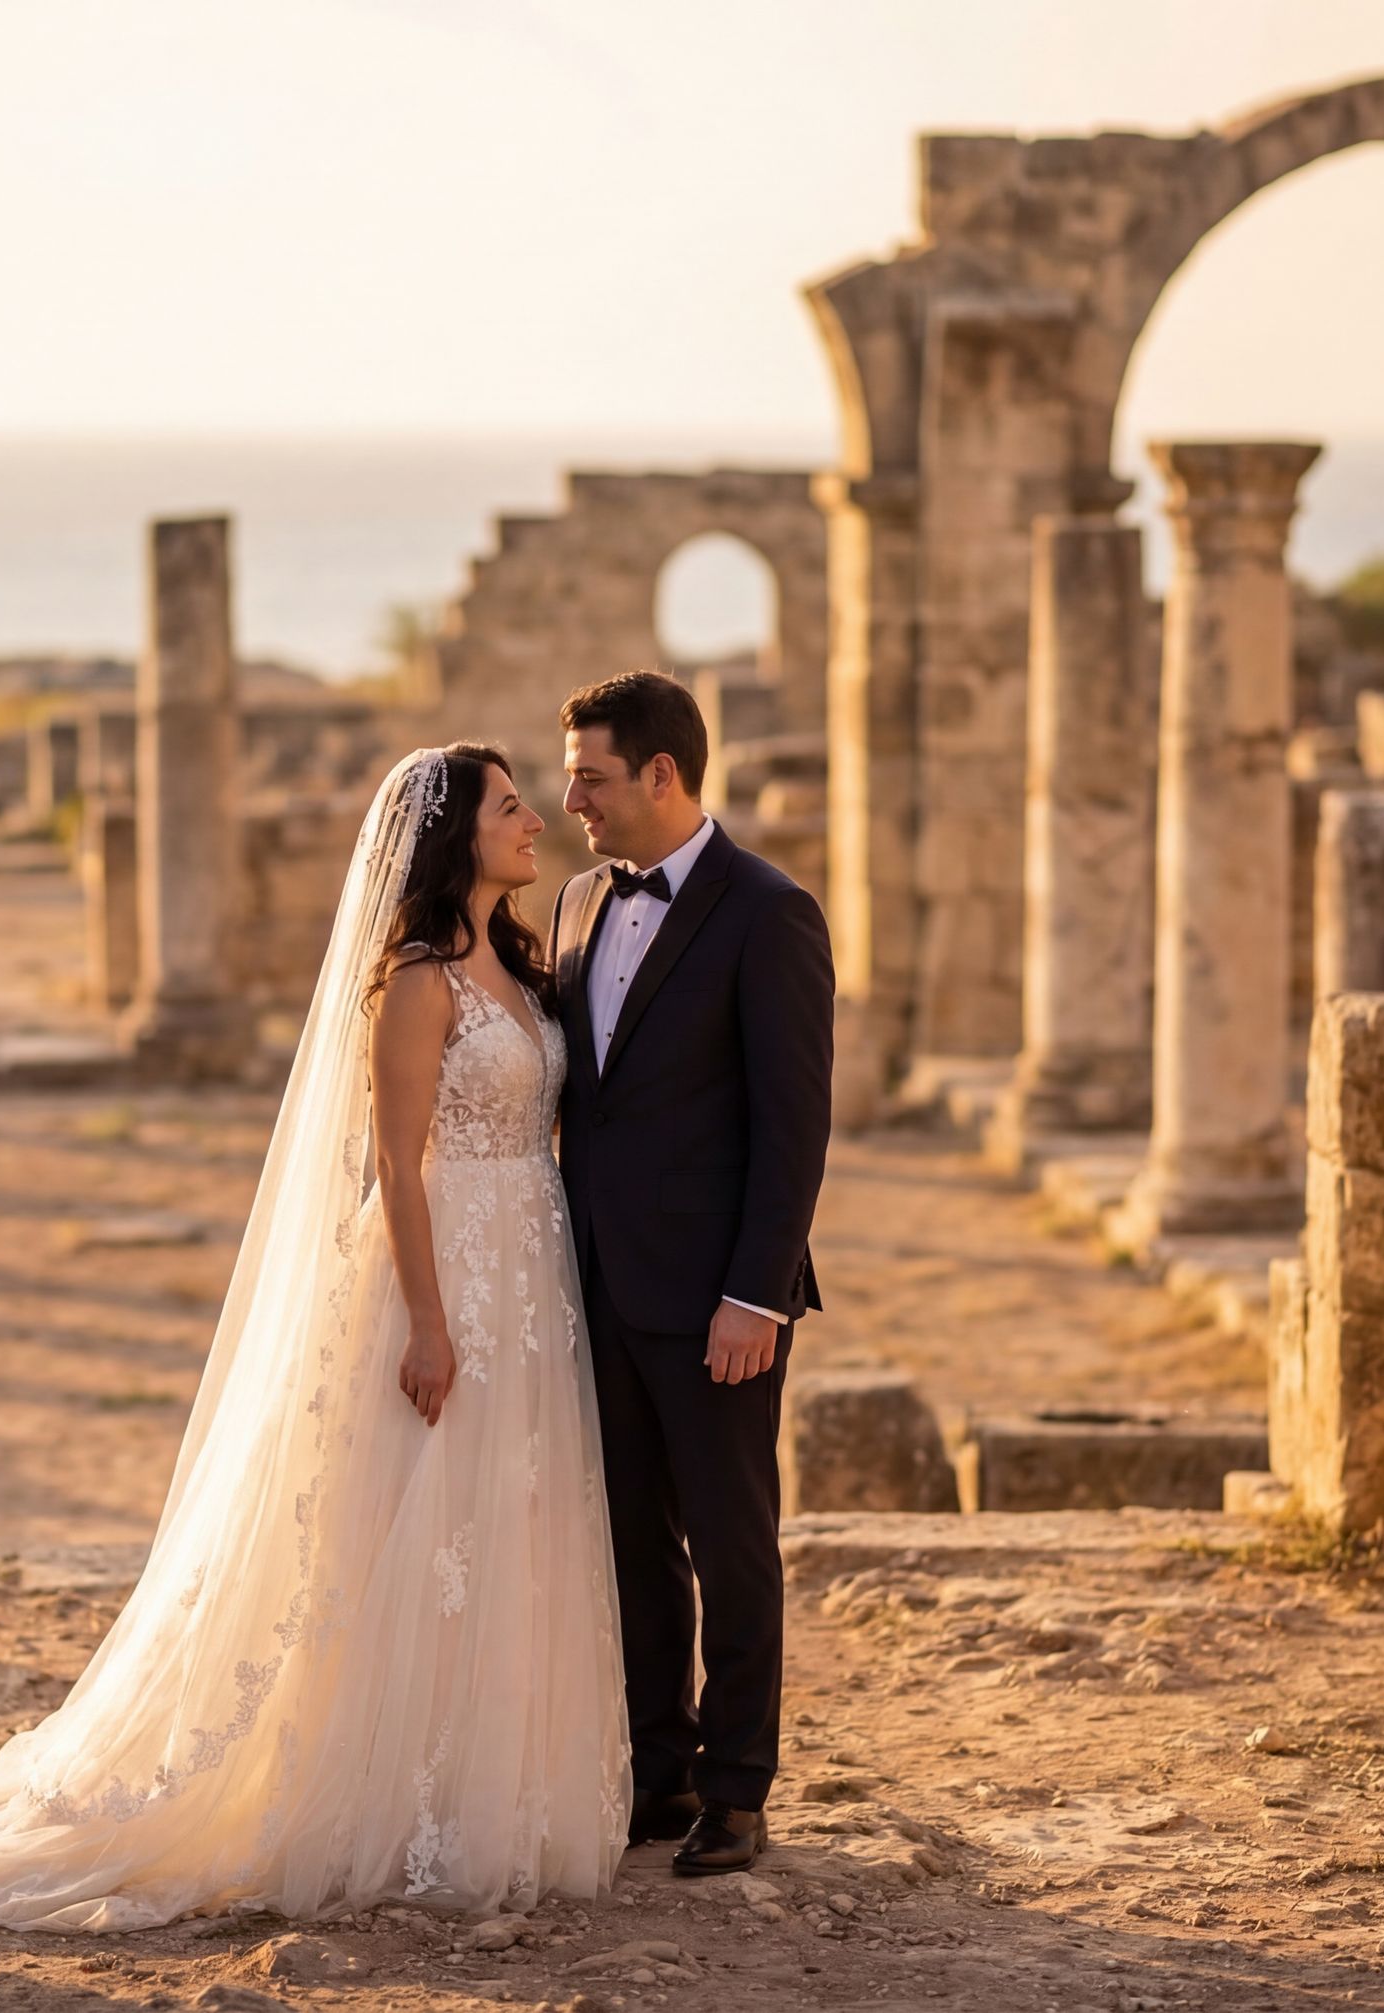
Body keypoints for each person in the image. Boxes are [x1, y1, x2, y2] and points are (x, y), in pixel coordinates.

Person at [0, 743, 629, 1929]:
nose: (535, 821)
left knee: (505, 1520)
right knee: (402, 1526)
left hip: (529, 1264)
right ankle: (365, 1792)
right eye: (511, 807)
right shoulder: (414, 981)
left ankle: (474, 1779)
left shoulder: (520, 961)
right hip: (442, 1266)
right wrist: (431, 1323)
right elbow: (396, 1160)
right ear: (457, 835)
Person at [550, 670, 834, 1878]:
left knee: (731, 1541)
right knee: (625, 1539)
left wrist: (755, 1295)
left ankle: (738, 1789)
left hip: (719, 1296)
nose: (574, 800)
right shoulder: (573, 902)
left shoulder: (769, 911)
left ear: (662, 774)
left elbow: (794, 1126)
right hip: (593, 1284)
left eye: (593, 777)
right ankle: (655, 1772)